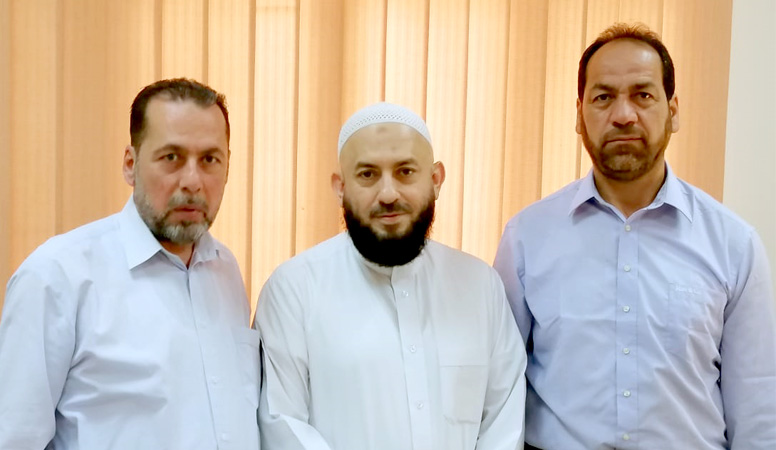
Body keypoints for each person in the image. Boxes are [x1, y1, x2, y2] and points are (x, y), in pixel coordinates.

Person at [494, 23, 776, 449]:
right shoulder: (527, 238)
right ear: (579, 115)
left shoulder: (734, 244)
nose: (623, 115)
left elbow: (757, 407)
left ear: (673, 111)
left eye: (643, 95)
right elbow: (499, 388)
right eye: (603, 97)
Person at [0, 79, 260, 449]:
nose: (192, 181)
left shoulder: (225, 271)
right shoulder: (58, 276)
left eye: (209, 159)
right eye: (171, 157)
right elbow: (9, 441)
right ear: (130, 164)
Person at [254, 102, 527, 450]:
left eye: (405, 171)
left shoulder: (480, 286)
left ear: (436, 180)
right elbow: (284, 426)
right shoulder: (293, 290)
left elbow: (503, 423)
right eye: (367, 174)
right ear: (340, 187)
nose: (388, 194)